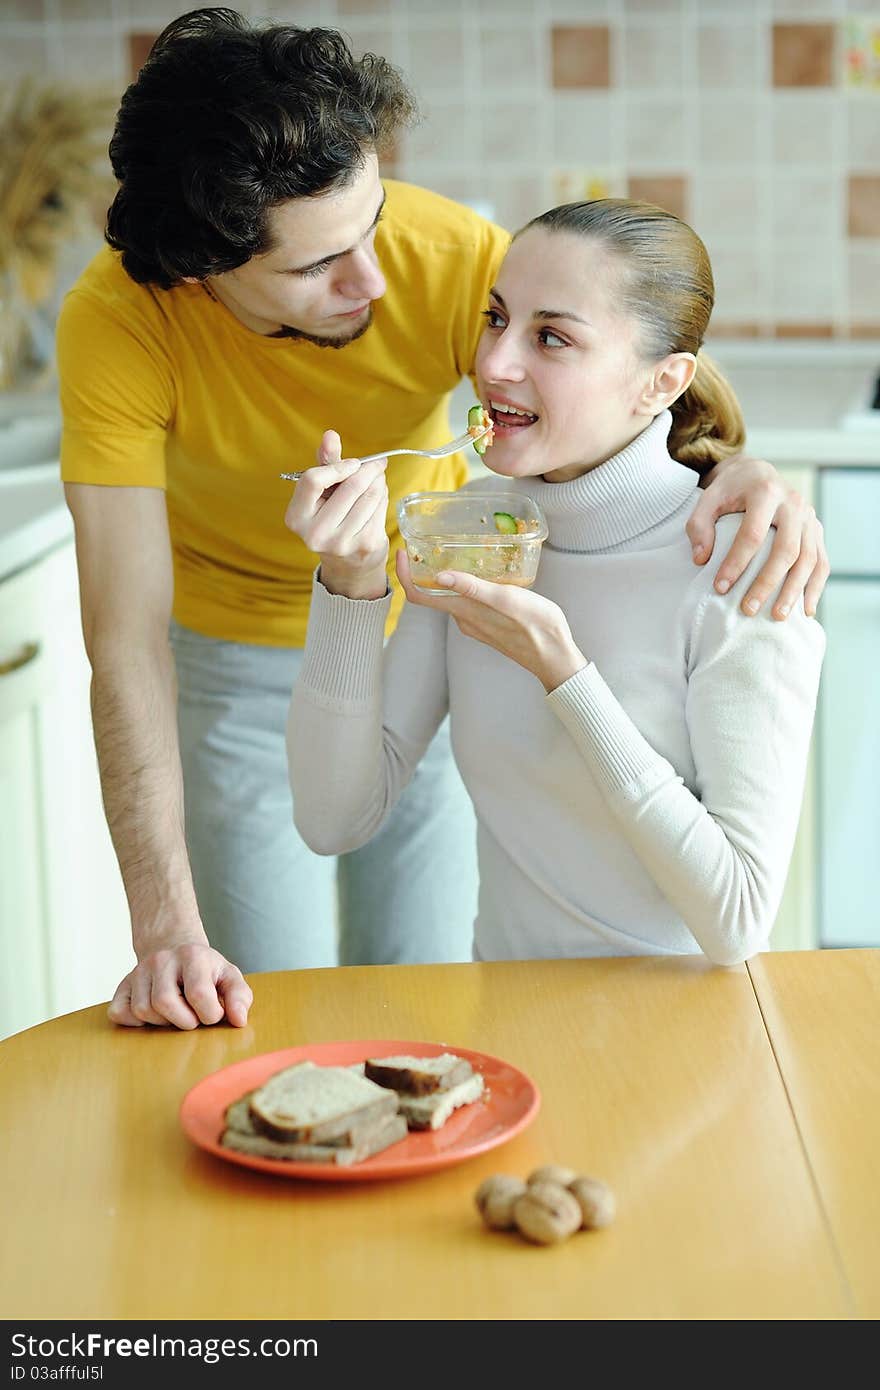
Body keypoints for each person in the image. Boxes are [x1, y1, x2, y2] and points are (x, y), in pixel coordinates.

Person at [57, 9, 827, 1032]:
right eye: (314, 268)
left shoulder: (442, 260)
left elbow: (623, 350)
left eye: (370, 227)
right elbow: (127, 643)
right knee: (265, 1010)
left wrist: (743, 465)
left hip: (440, 597)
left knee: (411, 998)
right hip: (245, 638)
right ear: (205, 269)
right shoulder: (121, 325)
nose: (374, 281)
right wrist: (164, 932)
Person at [286, 198, 825, 966]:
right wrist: (349, 584)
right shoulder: (472, 533)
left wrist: (564, 674)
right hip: (507, 1021)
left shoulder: (744, 565)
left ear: (661, 382)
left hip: (688, 1038)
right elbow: (333, 818)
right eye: (496, 318)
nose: (496, 364)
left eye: (552, 337)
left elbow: (736, 922)